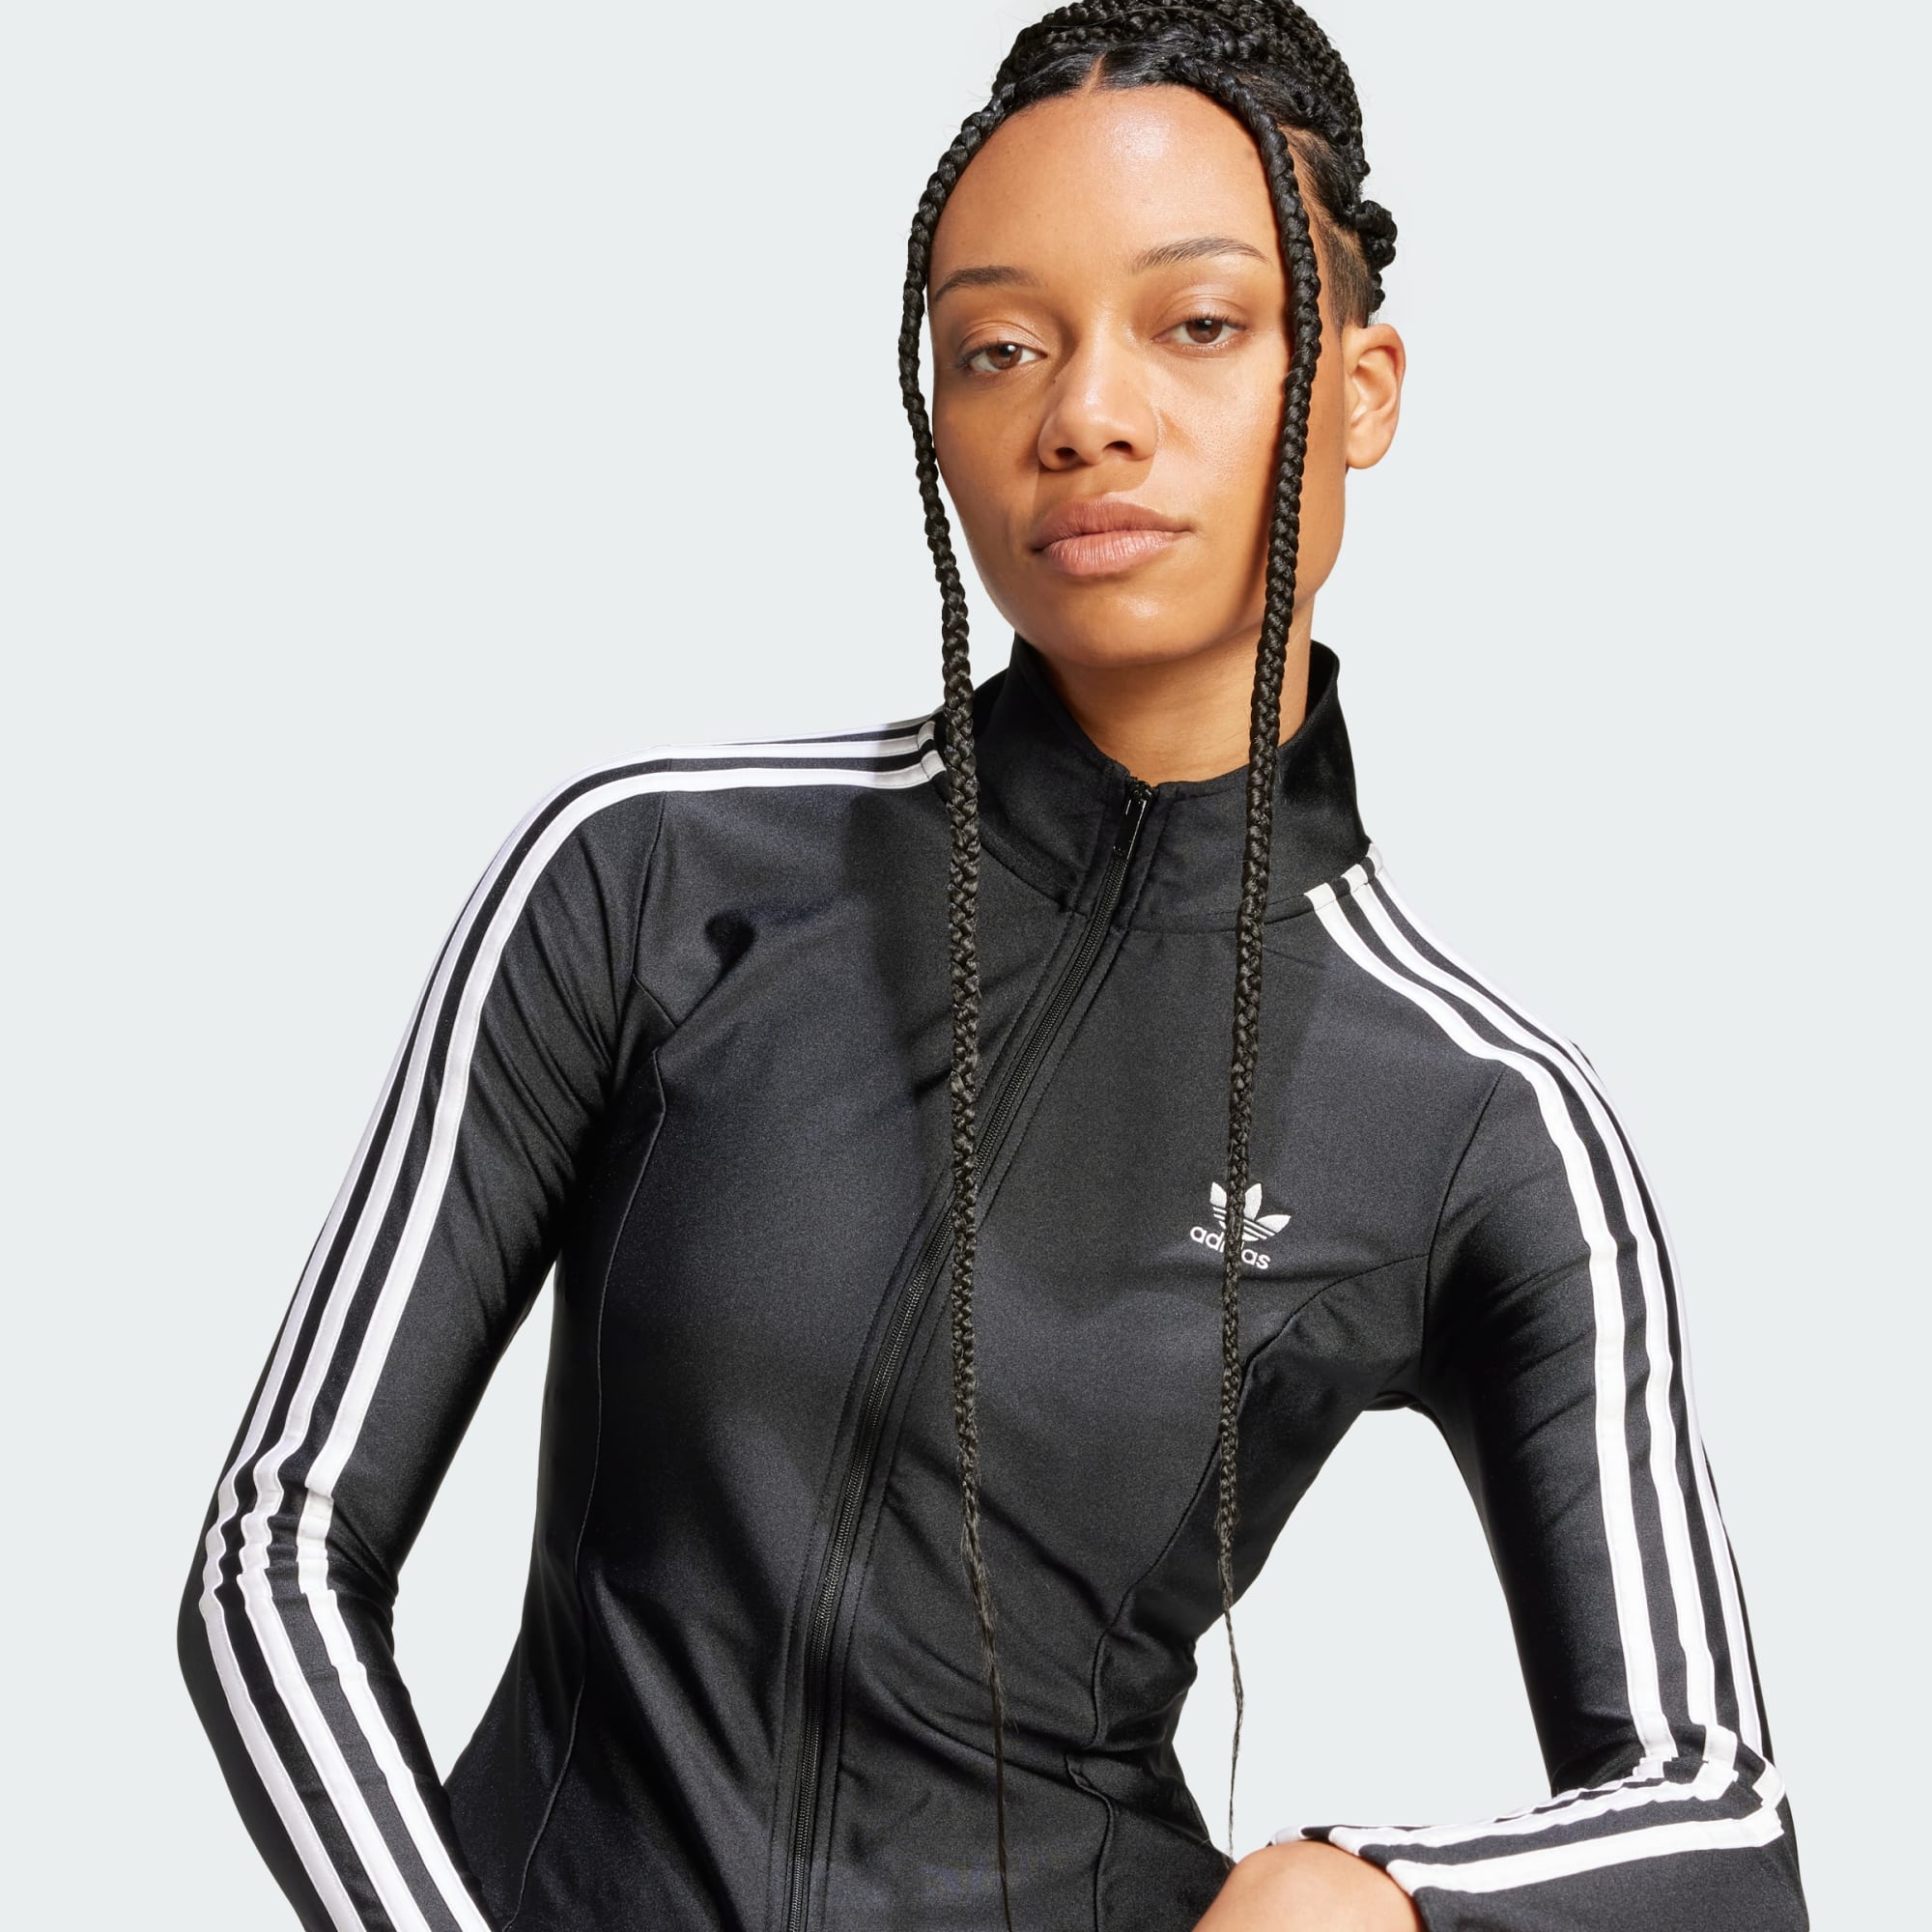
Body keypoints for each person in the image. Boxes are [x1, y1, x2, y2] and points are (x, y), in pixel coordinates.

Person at [175, 4, 1810, 1928]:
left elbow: (1720, 1822)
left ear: (1360, 386)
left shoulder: (1476, 1118)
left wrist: (1364, 1892)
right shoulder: (654, 877)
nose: (1086, 414)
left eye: (1196, 324)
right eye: (999, 346)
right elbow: (277, 1553)